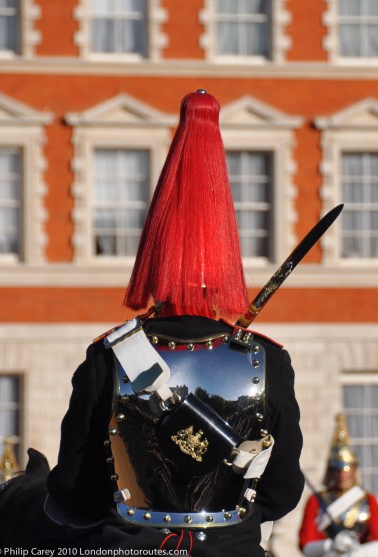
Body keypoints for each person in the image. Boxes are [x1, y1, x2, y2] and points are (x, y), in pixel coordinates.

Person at [43, 90, 304, 556]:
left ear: (153, 256)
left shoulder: (109, 357)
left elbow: (73, 492)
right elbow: (281, 491)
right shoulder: (267, 360)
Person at [299, 414, 378, 557]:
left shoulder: (368, 500)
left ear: (354, 469)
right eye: (337, 469)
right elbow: (306, 544)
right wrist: (330, 545)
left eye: (347, 469)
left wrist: (357, 553)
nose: (342, 474)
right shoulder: (316, 501)